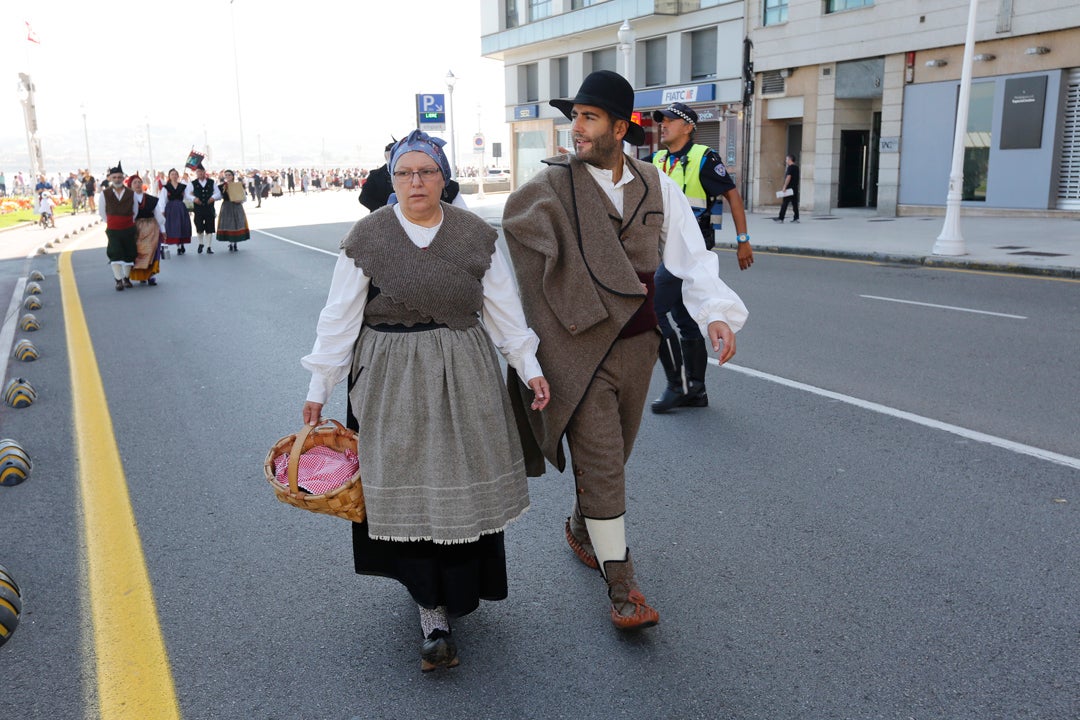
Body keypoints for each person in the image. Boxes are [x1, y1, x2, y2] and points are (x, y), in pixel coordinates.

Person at [501, 70, 748, 631]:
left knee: (616, 456)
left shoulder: (656, 185)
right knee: (606, 465)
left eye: (589, 118)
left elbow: (691, 258)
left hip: (638, 345)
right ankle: (623, 588)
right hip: (577, 347)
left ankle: (581, 527)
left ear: (620, 126)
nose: (576, 129)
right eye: (574, 117)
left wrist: (716, 316)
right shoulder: (550, 187)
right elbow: (515, 235)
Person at [300, 129, 550, 673]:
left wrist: (529, 369)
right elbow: (338, 319)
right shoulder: (368, 237)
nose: (417, 181)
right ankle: (430, 612)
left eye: (427, 171)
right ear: (392, 180)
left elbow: (505, 312)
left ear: (444, 178)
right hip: (389, 375)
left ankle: (459, 592)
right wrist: (319, 387)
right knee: (404, 484)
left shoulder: (474, 236)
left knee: (458, 483)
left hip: (465, 373)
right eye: (405, 173)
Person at [648, 102, 753, 413]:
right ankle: (696, 389)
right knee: (683, 316)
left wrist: (743, 240)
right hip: (664, 248)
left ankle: (678, 384)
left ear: (688, 126)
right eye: (661, 121)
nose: (662, 125)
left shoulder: (704, 158)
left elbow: (732, 194)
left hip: (691, 250)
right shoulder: (656, 160)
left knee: (651, 312)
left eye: (669, 120)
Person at [98, 162, 138, 291]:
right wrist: (110, 222)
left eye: (119, 177)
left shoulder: (131, 193)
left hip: (128, 228)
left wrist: (128, 221)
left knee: (129, 253)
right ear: (110, 178)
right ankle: (118, 280)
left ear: (123, 178)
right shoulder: (105, 194)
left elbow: (135, 210)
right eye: (114, 177)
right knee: (115, 253)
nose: (117, 179)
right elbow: (101, 211)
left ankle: (126, 278)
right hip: (113, 229)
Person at [127, 175, 165, 286]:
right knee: (137, 254)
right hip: (135, 229)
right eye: (135, 182)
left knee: (151, 252)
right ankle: (137, 275)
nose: (138, 184)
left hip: (151, 229)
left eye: (139, 182)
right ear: (130, 185)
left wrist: (163, 230)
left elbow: (158, 214)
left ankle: (150, 276)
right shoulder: (127, 200)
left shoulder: (151, 199)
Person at [161, 168, 194, 254]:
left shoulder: (183, 187)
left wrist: (195, 198)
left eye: (175, 174)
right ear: (169, 176)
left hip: (180, 208)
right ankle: (178, 245)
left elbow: (188, 196)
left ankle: (181, 244)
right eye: (172, 174)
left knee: (182, 226)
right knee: (174, 227)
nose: (174, 176)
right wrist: (162, 210)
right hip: (170, 208)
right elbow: (162, 200)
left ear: (178, 176)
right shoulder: (166, 187)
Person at [217, 170, 250, 251]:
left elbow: (244, 197)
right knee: (229, 224)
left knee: (236, 224)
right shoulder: (222, 186)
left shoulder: (238, 185)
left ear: (233, 176)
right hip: (227, 206)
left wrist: (240, 200)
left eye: (229, 175)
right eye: (226, 175)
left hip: (237, 206)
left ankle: (235, 243)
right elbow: (218, 196)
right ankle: (231, 243)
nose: (228, 176)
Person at [190, 164, 220, 254]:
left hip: (209, 208)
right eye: (198, 172)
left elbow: (218, 193)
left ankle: (209, 246)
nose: (200, 173)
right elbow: (187, 194)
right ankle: (201, 243)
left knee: (209, 227)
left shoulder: (211, 182)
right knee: (199, 226)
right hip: (198, 208)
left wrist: (213, 197)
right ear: (196, 173)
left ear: (204, 172)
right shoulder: (193, 183)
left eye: (201, 172)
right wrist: (194, 199)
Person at [774, 154, 800, 223]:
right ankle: (796, 218)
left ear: (789, 159)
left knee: (785, 203)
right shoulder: (796, 167)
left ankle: (781, 218)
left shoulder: (790, 167)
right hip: (795, 188)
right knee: (795, 204)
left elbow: (788, 177)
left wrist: (785, 186)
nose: (786, 161)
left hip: (789, 189)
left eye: (786, 159)